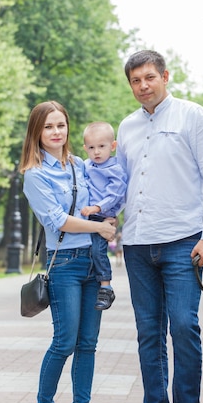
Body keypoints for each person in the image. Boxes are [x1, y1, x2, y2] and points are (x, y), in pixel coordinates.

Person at [116, 50, 203, 403]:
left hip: (185, 241)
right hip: (138, 244)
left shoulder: (193, 116)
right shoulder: (126, 127)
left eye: (149, 77)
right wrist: (102, 215)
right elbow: (121, 183)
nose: (143, 86)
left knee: (183, 327)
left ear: (165, 76)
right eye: (135, 81)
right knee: (148, 332)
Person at [19, 101, 116, 403]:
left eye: (61, 125)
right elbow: (57, 219)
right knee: (64, 342)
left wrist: (108, 217)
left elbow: (102, 198)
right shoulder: (34, 174)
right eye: (48, 127)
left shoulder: (80, 164)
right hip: (65, 264)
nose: (56, 132)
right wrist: (99, 228)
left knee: (88, 344)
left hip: (94, 262)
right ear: (37, 132)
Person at [81, 121, 127, 310]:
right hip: (86, 216)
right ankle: (91, 279)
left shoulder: (115, 168)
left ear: (113, 146)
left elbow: (115, 193)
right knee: (87, 250)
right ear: (85, 149)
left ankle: (106, 287)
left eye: (102, 146)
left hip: (102, 215)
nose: (97, 152)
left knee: (98, 251)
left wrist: (97, 208)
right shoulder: (85, 165)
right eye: (91, 148)